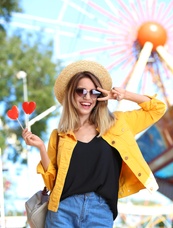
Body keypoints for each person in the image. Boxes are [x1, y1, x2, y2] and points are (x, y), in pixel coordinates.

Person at [22, 60, 166, 228]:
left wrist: (124, 94)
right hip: (62, 211)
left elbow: (157, 108)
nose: (87, 97)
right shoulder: (59, 135)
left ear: (100, 96)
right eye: (81, 91)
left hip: (100, 211)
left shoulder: (118, 123)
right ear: (71, 95)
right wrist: (41, 148)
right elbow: (52, 183)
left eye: (94, 92)